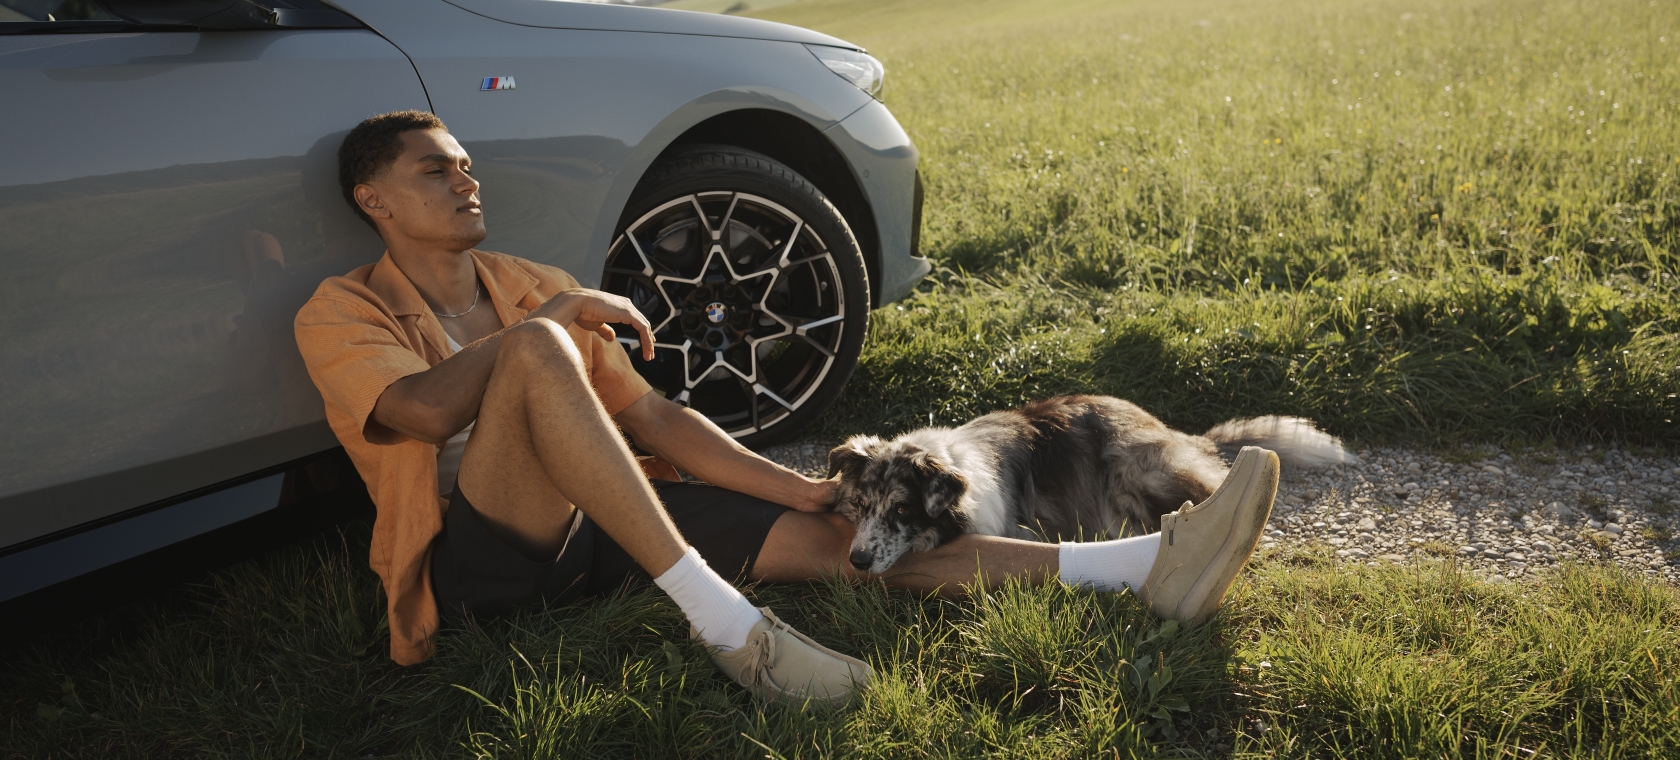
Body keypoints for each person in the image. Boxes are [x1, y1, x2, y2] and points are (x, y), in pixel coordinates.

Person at [294, 110, 1279, 708]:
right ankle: (726, 624)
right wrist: (546, 324)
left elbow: (658, 425)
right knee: (544, 348)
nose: (464, 177)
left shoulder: (521, 279)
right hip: (484, 552)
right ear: (372, 198)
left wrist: (805, 488)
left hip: (603, 519)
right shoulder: (343, 309)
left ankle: (1144, 567)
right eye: (435, 168)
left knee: (852, 538)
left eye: (466, 163)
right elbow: (421, 416)